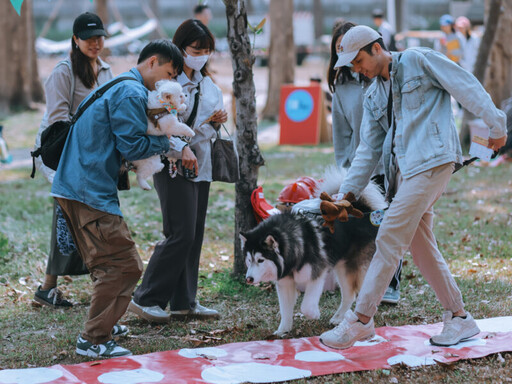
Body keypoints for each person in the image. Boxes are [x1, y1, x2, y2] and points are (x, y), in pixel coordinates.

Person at [319, 25, 507, 350]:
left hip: (434, 161)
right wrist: (345, 195)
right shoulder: (373, 94)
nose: (356, 69)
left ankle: (361, 320)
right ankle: (460, 317)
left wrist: (496, 122)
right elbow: (367, 150)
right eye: (350, 65)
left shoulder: (420, 60)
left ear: (377, 48)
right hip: (404, 174)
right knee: (421, 248)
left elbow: (465, 86)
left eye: (358, 60)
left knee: (390, 233)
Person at [51, 39, 183, 357]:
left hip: (78, 186)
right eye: (169, 73)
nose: (171, 82)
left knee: (112, 265)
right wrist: (169, 145)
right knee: (122, 266)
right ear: (152, 62)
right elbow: (134, 147)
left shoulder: (121, 84)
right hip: (87, 190)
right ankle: (93, 339)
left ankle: (106, 324)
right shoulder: (131, 92)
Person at [129, 19, 227, 323]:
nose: (201, 55)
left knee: (194, 233)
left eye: (206, 50)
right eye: (196, 49)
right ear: (181, 48)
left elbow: (206, 128)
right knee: (180, 232)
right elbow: (158, 125)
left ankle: (185, 301)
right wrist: (179, 147)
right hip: (172, 163)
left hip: (201, 162)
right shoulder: (166, 85)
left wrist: (213, 122)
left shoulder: (207, 84)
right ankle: (146, 297)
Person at [32, 12, 114, 308]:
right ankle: (86, 284)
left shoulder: (105, 71)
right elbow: (57, 123)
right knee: (70, 217)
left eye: (99, 37)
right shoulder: (64, 72)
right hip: (60, 155)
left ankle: (53, 287)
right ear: (75, 40)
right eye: (89, 38)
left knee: (84, 217)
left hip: (90, 156)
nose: (95, 42)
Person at [328, 21, 401, 304]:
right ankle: (361, 282)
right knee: (364, 230)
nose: (346, 56)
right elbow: (342, 135)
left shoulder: (381, 77)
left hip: (387, 168)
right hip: (358, 173)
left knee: (389, 225)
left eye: (352, 52)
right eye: (338, 50)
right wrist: (346, 174)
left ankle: (390, 285)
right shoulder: (342, 88)